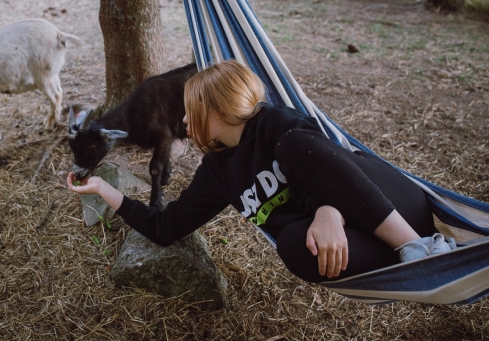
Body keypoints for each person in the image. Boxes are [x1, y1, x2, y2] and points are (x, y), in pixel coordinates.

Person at [67, 60, 455, 283]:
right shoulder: (218, 173)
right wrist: (103, 188)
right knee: (293, 244)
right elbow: (166, 228)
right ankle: (410, 270)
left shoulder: (277, 125)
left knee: (297, 149)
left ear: (216, 111)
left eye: (191, 111)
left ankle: (421, 250)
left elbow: (337, 169)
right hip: (356, 246)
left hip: (395, 209)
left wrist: (330, 211)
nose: (184, 121)